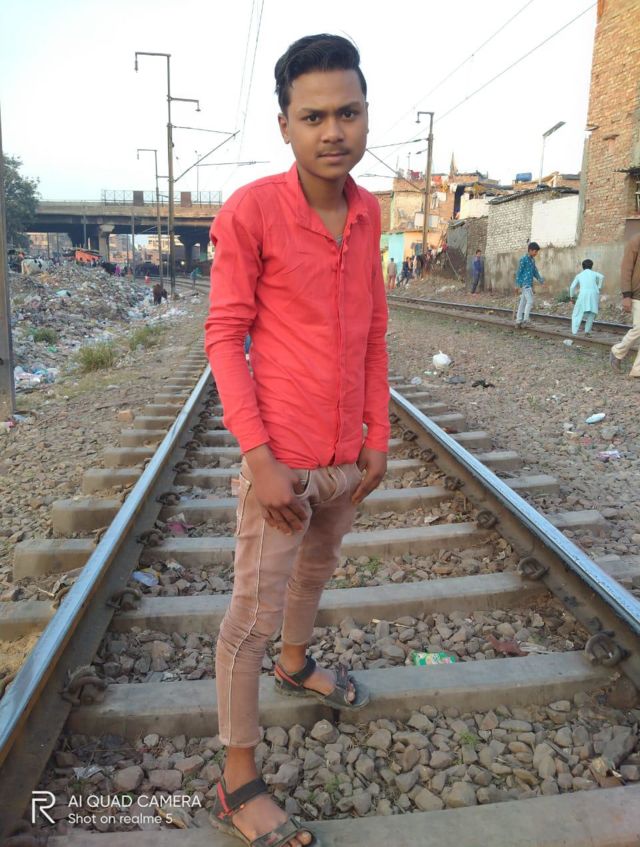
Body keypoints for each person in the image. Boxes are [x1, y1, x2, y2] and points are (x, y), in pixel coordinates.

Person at [205, 34, 389, 847]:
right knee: (249, 614)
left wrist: (378, 433)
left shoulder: (368, 212)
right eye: (313, 116)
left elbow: (374, 330)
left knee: (318, 566)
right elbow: (224, 336)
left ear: (365, 115)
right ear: (284, 125)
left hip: (345, 457)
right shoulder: (252, 211)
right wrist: (258, 458)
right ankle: (237, 778)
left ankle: (297, 659)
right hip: (280, 462)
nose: (333, 131)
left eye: (348, 112)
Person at [610, 232, 640, 377]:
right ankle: (617, 351)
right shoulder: (636, 240)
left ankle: (637, 370)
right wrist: (626, 295)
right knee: (639, 328)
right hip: (637, 295)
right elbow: (626, 269)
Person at [569, 259, 604, 335]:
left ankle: (574, 332)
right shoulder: (594, 273)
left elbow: (572, 287)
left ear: (583, 266)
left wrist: (571, 297)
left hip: (583, 294)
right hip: (594, 294)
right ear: (591, 266)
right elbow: (601, 277)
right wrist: (599, 287)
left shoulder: (579, 275)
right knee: (592, 313)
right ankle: (587, 331)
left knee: (577, 313)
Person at [515, 241, 544, 327]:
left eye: (537, 252)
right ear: (530, 250)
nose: (536, 253)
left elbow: (535, 271)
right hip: (525, 284)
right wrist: (517, 285)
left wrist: (541, 280)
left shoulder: (532, 260)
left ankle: (518, 321)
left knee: (523, 303)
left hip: (529, 284)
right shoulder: (523, 259)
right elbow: (519, 272)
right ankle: (526, 320)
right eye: (535, 251)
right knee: (530, 301)